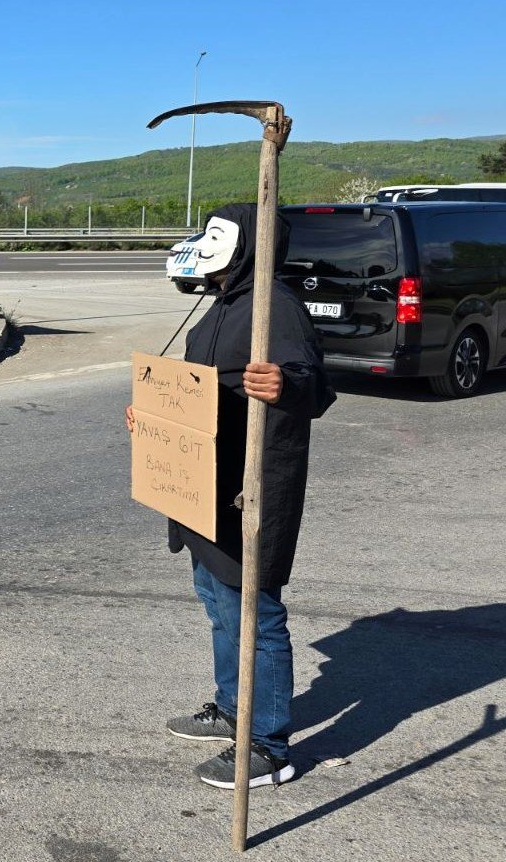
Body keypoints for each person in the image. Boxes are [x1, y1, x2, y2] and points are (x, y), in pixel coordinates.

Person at [126, 203, 335, 789]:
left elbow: (313, 384)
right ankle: (231, 709)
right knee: (216, 596)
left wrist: (288, 385)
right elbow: (199, 389)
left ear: (248, 246)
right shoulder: (223, 303)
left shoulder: (277, 307)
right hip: (203, 482)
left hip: (249, 484)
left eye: (222, 235)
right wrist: (154, 413)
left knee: (253, 609)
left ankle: (267, 744)